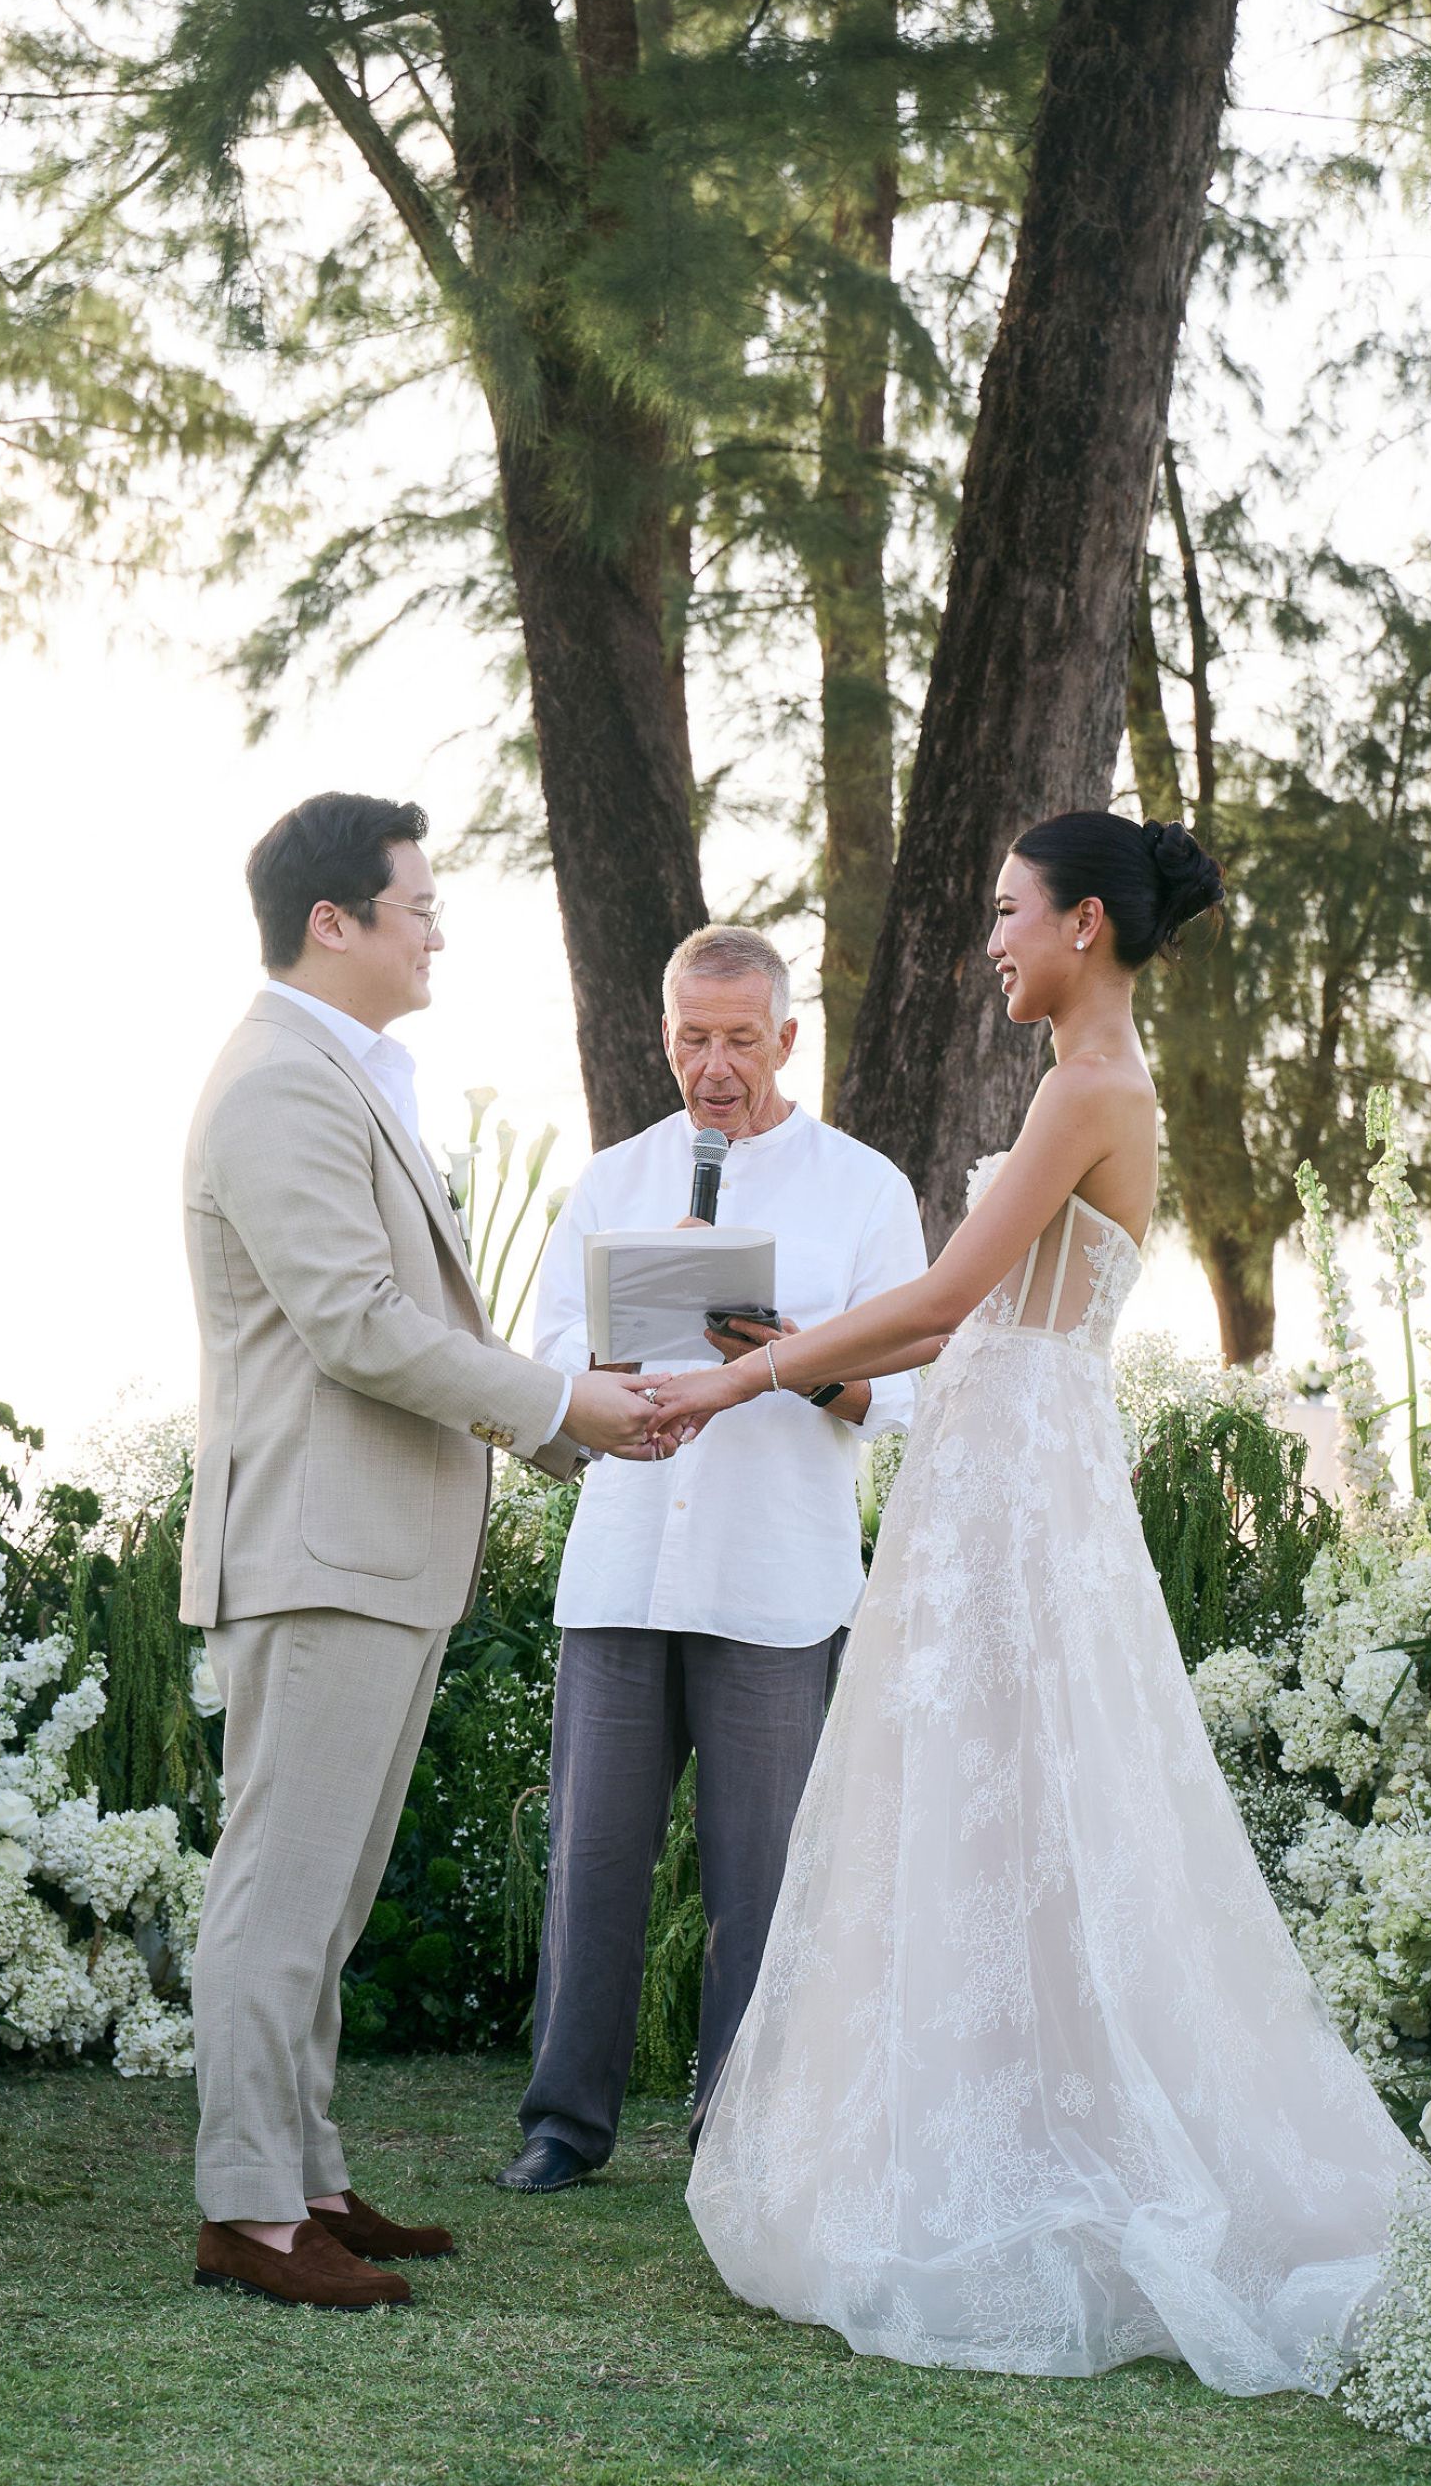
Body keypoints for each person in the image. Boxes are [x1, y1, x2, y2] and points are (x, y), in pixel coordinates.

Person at [644, 816, 1431, 2394]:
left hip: (1018, 1480)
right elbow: (949, 1320)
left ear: (1084, 922)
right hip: (1000, 1468)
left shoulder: (1090, 1089)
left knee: (1033, 1794)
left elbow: (945, 1305)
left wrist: (737, 1374)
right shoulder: (1073, 1082)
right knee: (987, 1802)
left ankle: (1055, 2150)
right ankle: (982, 2120)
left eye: (1009, 915)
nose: (991, 942)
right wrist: (795, 1345)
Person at [180, 791, 663, 2313]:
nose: (439, 926)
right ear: (337, 922)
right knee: (278, 1891)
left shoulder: (340, 1076)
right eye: (419, 904)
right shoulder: (279, 1085)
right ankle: (249, 2215)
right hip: (317, 1549)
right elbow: (358, 1324)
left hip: (371, 1550)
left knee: (324, 1896)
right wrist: (557, 1404)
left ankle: (306, 2177)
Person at [493, 925, 928, 2194]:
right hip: (624, 1565)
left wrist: (789, 1356)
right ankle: (564, 2127)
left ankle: (738, 2132)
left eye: (742, 1037)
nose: (716, 1063)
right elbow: (553, 1362)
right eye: (695, 1036)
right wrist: (623, 1353)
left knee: (764, 1873)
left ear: (788, 1038)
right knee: (592, 1860)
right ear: (664, 1035)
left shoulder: (863, 1188)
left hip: (777, 1579)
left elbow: (904, 1398)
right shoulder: (615, 1178)